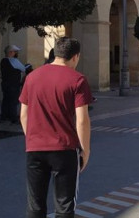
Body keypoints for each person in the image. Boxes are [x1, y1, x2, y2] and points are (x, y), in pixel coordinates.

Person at [19, 37, 92, 218]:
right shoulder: (78, 79)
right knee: (65, 205)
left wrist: (33, 137)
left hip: (35, 148)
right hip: (64, 149)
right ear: (75, 57)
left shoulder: (32, 77)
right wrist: (85, 150)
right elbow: (82, 120)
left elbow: (24, 115)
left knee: (35, 204)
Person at [0, 44, 26, 124]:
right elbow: (23, 68)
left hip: (5, 84)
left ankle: (4, 116)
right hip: (14, 84)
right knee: (13, 101)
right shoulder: (14, 61)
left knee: (6, 100)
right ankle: (13, 117)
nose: (15, 53)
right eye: (15, 51)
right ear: (10, 52)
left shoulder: (3, 61)